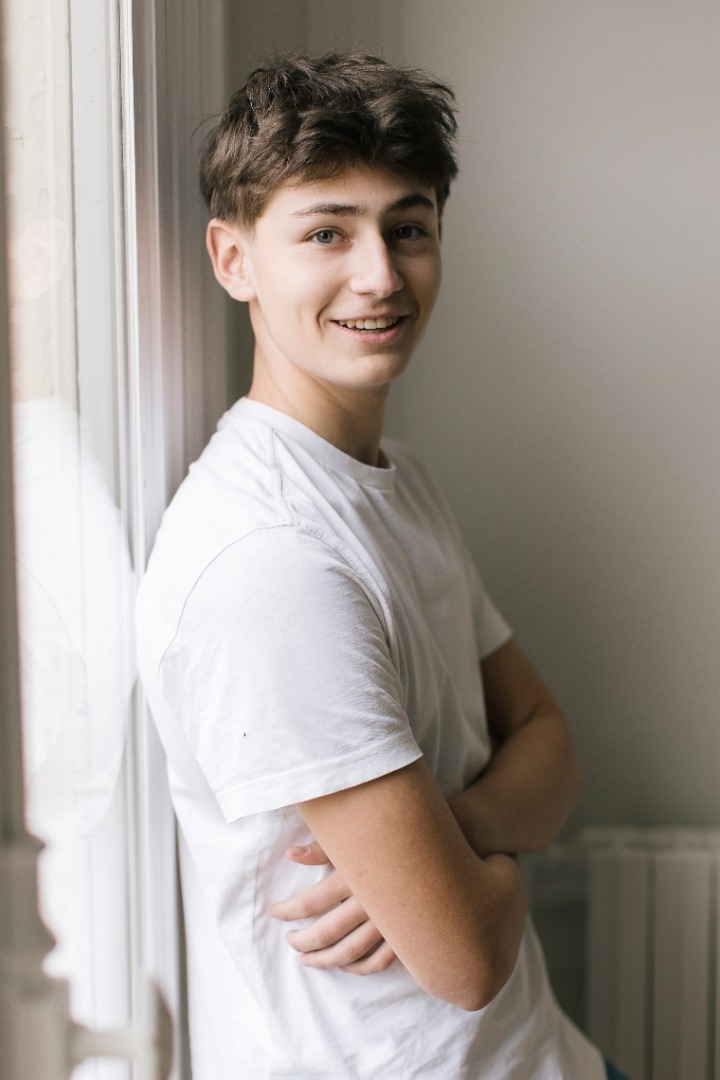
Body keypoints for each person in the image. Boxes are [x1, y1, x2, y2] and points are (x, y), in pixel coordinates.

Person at [136, 51, 619, 1079]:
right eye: (327, 232)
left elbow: (554, 745)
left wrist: (459, 830)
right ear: (233, 259)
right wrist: (488, 867)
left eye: (407, 228)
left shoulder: (399, 480)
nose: (381, 276)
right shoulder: (269, 563)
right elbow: (466, 955)